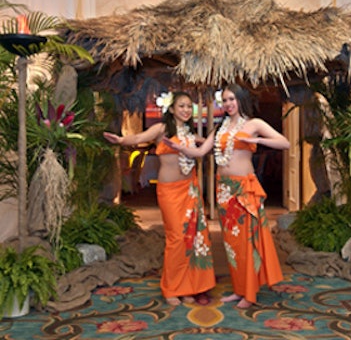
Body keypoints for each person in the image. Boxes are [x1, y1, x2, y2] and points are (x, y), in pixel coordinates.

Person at [164, 83, 290, 309]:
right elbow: (201, 152)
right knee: (231, 246)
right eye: (225, 100)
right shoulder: (220, 128)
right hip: (223, 190)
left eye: (232, 99)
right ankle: (240, 289)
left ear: (241, 99)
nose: (228, 104)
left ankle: (250, 294)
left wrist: (258, 141)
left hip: (244, 189)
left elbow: (284, 142)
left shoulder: (253, 124)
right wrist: (179, 147)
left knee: (246, 243)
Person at [103, 91, 216, 306]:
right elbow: (138, 138)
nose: (185, 110)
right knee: (175, 239)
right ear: (171, 109)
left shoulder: (189, 133)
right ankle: (172, 288)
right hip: (170, 191)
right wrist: (120, 140)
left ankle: (189, 287)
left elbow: (209, 144)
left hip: (190, 189)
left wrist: (222, 130)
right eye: (181, 106)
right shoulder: (162, 129)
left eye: (188, 107)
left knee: (193, 238)